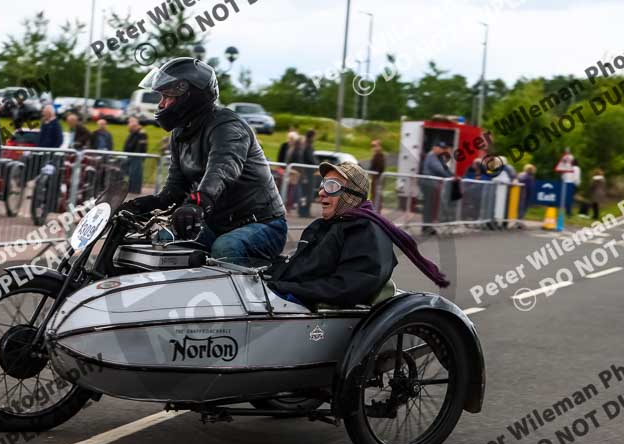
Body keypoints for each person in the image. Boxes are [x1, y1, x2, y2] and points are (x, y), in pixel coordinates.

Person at [120, 57, 287, 261]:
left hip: (263, 224)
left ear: (188, 96)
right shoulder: (180, 133)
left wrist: (198, 202)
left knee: (225, 248)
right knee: (162, 241)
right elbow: (174, 191)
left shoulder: (228, 127)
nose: (161, 104)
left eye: (166, 97)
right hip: (218, 223)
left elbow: (223, 169)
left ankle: (251, 291)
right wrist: (135, 207)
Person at [264, 162, 450, 309]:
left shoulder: (365, 230)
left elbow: (347, 286)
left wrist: (283, 288)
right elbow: (301, 265)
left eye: (331, 186)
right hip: (289, 294)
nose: (321, 192)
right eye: (323, 185)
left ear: (351, 195)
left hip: (308, 307)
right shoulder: (323, 226)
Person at [420, 141, 453, 235]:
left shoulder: (438, 157)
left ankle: (428, 226)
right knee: (429, 206)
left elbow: (445, 168)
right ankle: (426, 227)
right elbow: (439, 169)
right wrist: (450, 177)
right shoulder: (431, 156)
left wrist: (452, 175)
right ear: (435, 148)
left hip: (432, 184)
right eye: (440, 148)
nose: (442, 150)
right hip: (428, 183)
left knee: (431, 206)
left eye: (443, 149)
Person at [123, 116, 148, 194]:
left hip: (136, 157)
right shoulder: (133, 133)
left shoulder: (141, 133)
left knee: (136, 174)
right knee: (132, 174)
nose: (128, 125)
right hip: (132, 156)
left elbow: (141, 147)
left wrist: (135, 155)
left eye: (129, 123)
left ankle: (135, 190)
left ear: (134, 124)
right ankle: (131, 189)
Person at [368, 139, 386, 211]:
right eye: (372, 146)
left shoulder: (379, 156)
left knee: (377, 196)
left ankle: (376, 212)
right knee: (374, 195)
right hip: (375, 177)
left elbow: (379, 168)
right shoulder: (376, 155)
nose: (373, 148)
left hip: (378, 178)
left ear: (379, 146)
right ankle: (374, 211)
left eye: (374, 146)